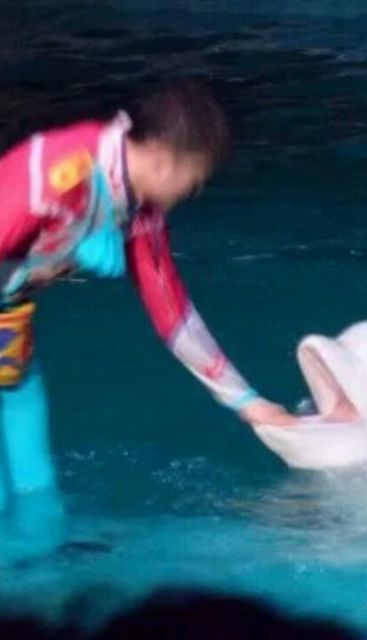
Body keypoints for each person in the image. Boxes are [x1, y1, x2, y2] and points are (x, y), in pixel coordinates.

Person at [0, 80, 295, 542]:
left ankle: (42, 553)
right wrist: (73, 240)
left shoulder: (137, 208)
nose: (193, 190)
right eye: (194, 178)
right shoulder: (50, 178)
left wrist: (247, 401)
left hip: (9, 312)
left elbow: (172, 312)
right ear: (164, 159)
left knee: (34, 473)